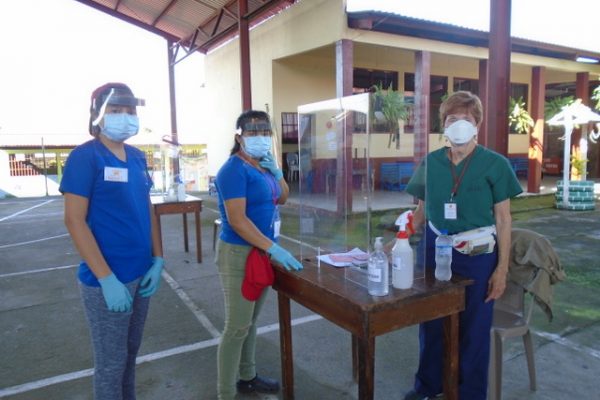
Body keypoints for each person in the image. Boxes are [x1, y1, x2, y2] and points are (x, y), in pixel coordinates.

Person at [403, 91, 523, 400]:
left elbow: (504, 220)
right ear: (442, 125)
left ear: (478, 126)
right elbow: (420, 210)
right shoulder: (431, 163)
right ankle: (428, 387)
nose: (459, 125)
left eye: (466, 120)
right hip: (434, 245)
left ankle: (469, 394)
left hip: (478, 254)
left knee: (474, 329)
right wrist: (396, 243)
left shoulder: (495, 164)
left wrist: (502, 270)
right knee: (430, 319)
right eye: (452, 119)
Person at [60, 82, 163, 400]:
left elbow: (146, 207)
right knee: (110, 363)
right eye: (115, 110)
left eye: (129, 111)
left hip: (141, 273)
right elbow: (74, 220)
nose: (124, 117)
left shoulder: (136, 156)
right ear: (97, 116)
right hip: (107, 279)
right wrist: (106, 279)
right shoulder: (85, 157)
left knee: (130, 354)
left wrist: (158, 258)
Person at [215, 110, 303, 400]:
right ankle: (225, 392)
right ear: (239, 137)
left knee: (250, 323)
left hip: (261, 252)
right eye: (253, 133)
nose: (260, 138)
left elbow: (283, 197)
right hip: (239, 254)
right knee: (236, 327)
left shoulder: (263, 167)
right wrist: (273, 247)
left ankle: (247, 376)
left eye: (265, 132)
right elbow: (238, 220)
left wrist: (278, 173)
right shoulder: (232, 170)